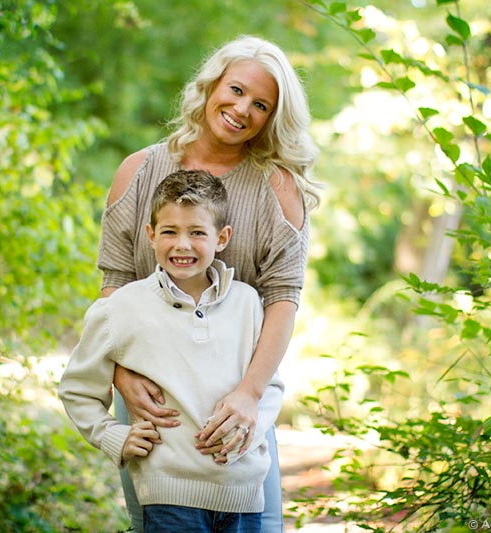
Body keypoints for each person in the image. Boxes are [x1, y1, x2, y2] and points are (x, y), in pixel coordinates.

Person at [98, 34, 319, 532]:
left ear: (271, 118)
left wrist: (248, 394)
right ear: (210, 85)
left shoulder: (278, 188)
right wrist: (121, 377)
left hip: (237, 393)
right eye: (237, 90)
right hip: (153, 394)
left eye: (261, 105)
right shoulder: (138, 171)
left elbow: (284, 299)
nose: (243, 110)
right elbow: (115, 284)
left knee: (258, 523)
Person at [60, 169, 284, 532]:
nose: (183, 245)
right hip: (168, 499)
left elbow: (269, 387)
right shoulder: (123, 307)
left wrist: (245, 437)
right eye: (170, 232)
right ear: (150, 235)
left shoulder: (247, 303)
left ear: (222, 237)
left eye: (197, 232)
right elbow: (77, 388)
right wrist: (112, 435)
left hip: (242, 494)